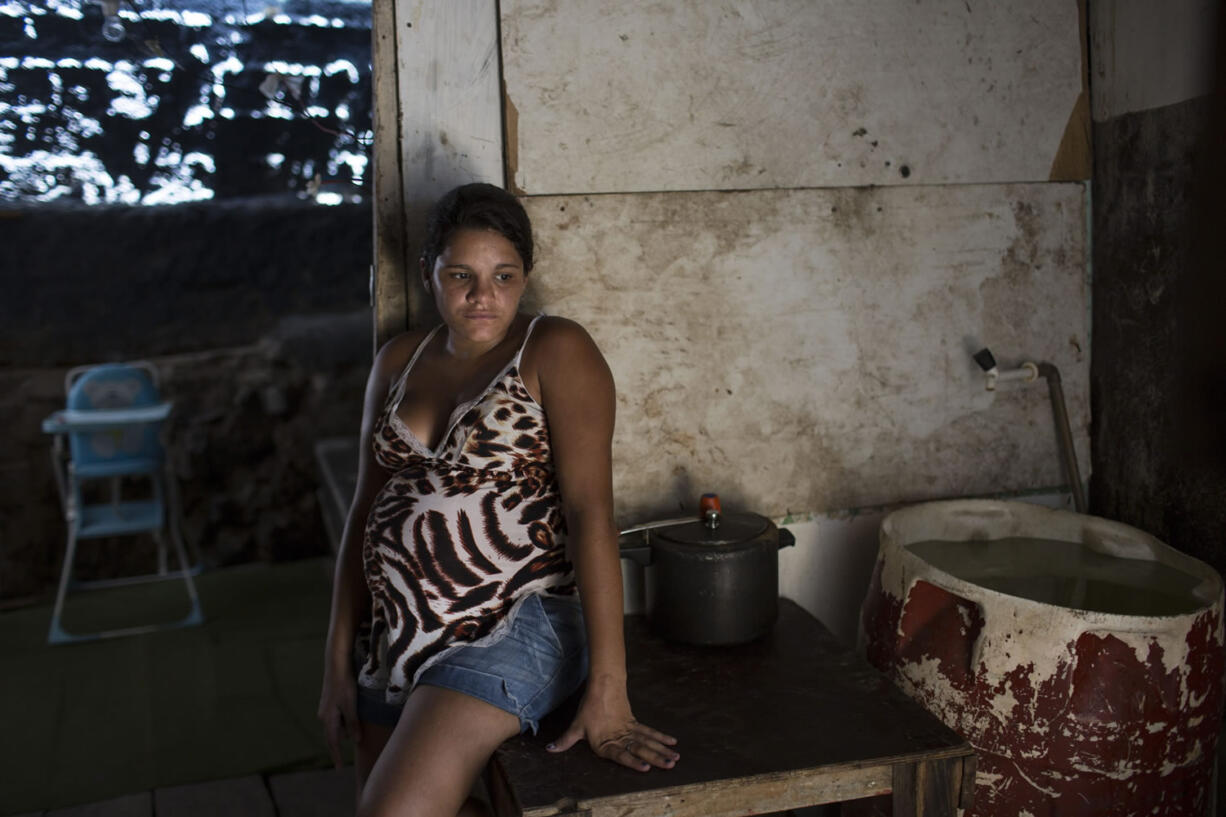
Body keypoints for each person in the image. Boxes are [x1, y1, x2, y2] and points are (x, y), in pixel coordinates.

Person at [318, 183, 679, 817]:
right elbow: (365, 511)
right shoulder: (399, 359)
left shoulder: (554, 349)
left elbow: (591, 513)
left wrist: (609, 690)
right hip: (396, 637)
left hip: (512, 625)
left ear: (525, 276)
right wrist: (335, 662)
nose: (483, 296)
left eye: (502, 275)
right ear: (430, 273)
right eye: (461, 275)